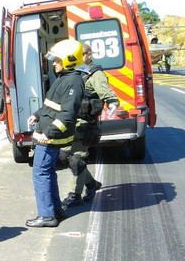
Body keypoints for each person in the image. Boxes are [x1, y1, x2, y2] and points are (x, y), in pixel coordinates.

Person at [26, 39, 85, 228]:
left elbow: (67, 115)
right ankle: (56, 210)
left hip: (49, 137)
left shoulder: (72, 82)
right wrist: (37, 115)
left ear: (69, 60)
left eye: (57, 60)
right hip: (47, 134)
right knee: (48, 172)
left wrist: (48, 133)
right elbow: (52, 106)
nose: (53, 63)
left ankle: (46, 215)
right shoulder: (65, 78)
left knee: (41, 173)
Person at [61, 43, 119, 209]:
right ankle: (92, 183)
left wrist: (112, 102)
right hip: (71, 122)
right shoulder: (76, 72)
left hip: (85, 123)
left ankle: (75, 195)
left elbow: (106, 92)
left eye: (81, 54)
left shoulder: (95, 74)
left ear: (88, 55)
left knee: (76, 159)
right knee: (64, 157)